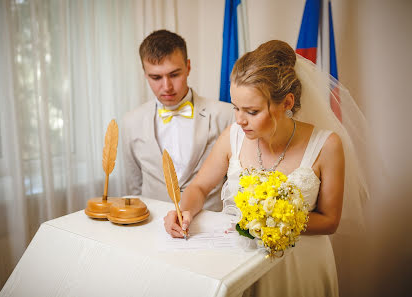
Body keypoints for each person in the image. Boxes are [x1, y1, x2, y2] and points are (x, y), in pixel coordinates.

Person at [164, 40, 368, 296]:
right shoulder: (233, 136)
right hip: (240, 266)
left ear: (287, 102)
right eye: (236, 108)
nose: (239, 119)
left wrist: (271, 220)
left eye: (252, 111)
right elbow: (200, 186)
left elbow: (329, 221)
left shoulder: (327, 145)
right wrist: (184, 211)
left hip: (301, 268)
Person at [122, 30, 234, 210]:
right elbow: (134, 186)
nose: (166, 86)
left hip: (211, 227)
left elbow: (235, 183)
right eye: (156, 77)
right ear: (145, 73)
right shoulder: (130, 121)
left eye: (174, 74)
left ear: (188, 67)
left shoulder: (227, 114)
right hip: (152, 225)